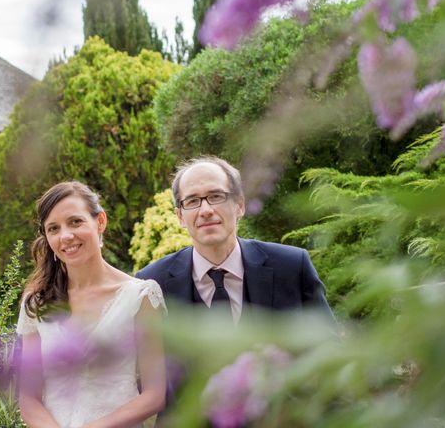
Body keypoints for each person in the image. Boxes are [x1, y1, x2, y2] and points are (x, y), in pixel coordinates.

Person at [16, 181, 166, 428]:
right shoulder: (37, 304)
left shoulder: (141, 296)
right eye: (53, 228)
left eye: (75, 222)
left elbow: (154, 395)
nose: (66, 236)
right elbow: (28, 398)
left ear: (100, 222)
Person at [136, 156, 334, 324]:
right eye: (192, 201)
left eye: (216, 196)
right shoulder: (153, 283)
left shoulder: (292, 267)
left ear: (239, 205)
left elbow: (327, 350)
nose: (205, 211)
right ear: (180, 216)